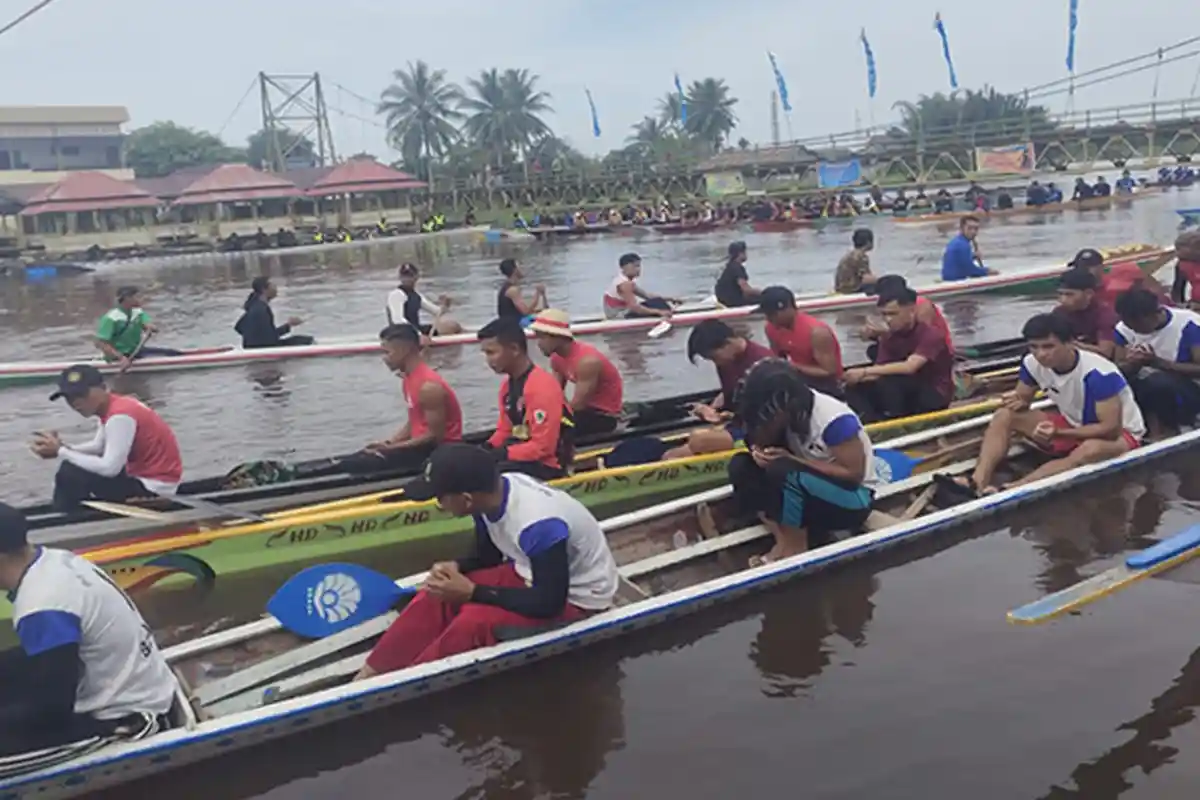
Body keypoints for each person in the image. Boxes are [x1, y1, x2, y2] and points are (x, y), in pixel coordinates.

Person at [355, 444, 617, 677]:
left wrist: (474, 593)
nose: (439, 505)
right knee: (436, 592)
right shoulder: (492, 495)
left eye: (441, 498)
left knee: (473, 623)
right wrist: (457, 567)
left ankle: (411, 679)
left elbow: (549, 602)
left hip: (580, 597)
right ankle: (370, 674)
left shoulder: (538, 525)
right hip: (529, 572)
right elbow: (487, 555)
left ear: (466, 499)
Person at [0, 502, 178, 756]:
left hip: (126, 717)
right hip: (136, 684)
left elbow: (50, 710)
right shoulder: (54, 559)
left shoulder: (41, 606)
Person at [942, 312, 1143, 497]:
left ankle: (1012, 488)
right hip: (1074, 424)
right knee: (1005, 415)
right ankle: (977, 481)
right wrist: (1015, 401)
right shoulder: (1032, 363)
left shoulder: (1098, 374)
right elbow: (1023, 400)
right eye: (1034, 347)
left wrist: (1057, 433)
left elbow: (1110, 430)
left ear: (1070, 343)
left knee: (1090, 449)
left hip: (1122, 434)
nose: (1041, 354)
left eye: (1048, 346)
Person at [726, 360, 875, 564]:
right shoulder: (782, 419)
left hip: (853, 498)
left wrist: (793, 461)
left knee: (784, 470)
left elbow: (853, 476)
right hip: (808, 487)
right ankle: (782, 539)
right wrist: (758, 450)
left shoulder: (834, 421)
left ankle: (795, 549)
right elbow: (754, 439)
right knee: (741, 465)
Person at [31, 365, 182, 511]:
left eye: (82, 394)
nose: (76, 403)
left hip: (155, 489)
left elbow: (110, 468)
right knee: (75, 465)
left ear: (103, 388)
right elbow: (99, 447)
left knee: (70, 470)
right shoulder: (116, 405)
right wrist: (64, 447)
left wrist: (61, 451)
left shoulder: (120, 416)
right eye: (69, 398)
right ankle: (77, 510)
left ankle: (67, 521)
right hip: (144, 479)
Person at [348, 324, 464, 474]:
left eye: (387, 352)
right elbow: (414, 421)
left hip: (440, 452)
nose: (384, 359)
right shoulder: (409, 379)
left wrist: (391, 449)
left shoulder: (428, 387)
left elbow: (434, 436)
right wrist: (389, 442)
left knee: (359, 464)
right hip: (419, 447)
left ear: (405, 350)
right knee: (359, 457)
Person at [663, 320, 773, 460]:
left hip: (759, 434)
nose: (716, 363)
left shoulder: (764, 364)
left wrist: (728, 417)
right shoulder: (727, 361)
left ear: (728, 343)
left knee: (698, 439)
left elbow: (769, 416)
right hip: (738, 425)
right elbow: (731, 395)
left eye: (714, 358)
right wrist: (713, 410)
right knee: (670, 455)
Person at [479, 317, 574, 480]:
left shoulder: (541, 387)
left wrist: (501, 454)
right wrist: (484, 448)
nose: (488, 360)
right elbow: (505, 430)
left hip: (550, 465)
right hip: (525, 456)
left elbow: (543, 448)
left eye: (491, 352)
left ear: (514, 349)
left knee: (484, 475)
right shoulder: (507, 388)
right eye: (485, 353)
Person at [842, 288, 953, 422]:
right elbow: (880, 368)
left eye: (893, 314)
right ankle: (872, 422)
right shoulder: (889, 337)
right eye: (884, 315)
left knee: (892, 381)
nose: (888, 320)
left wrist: (864, 371)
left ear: (911, 311)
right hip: (907, 391)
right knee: (855, 387)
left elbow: (910, 367)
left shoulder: (931, 335)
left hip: (934, 393)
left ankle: (896, 421)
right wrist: (852, 377)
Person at [1113, 289, 1200, 438]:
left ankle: (1182, 423)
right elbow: (1119, 367)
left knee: (1158, 382)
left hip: (1189, 387)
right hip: (1147, 385)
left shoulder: (1189, 324)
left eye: (1139, 325)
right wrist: (1133, 364)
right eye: (1130, 325)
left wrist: (1157, 362)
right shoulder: (1123, 329)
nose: (1136, 330)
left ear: (1156, 314)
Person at [530, 309, 625, 438]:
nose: (538, 344)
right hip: (584, 412)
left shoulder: (587, 362)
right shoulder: (556, 358)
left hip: (604, 415)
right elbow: (555, 394)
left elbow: (578, 405)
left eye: (541, 337)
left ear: (557, 337)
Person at [758, 286, 843, 396]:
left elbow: (829, 371)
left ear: (788, 308)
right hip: (799, 379)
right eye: (766, 315)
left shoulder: (817, 333)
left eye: (772, 315)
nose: (768, 319)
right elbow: (778, 358)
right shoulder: (770, 328)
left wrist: (793, 367)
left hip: (827, 384)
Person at [867, 275, 955, 357]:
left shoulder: (922, 306)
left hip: (935, 351)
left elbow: (923, 338)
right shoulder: (891, 307)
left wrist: (886, 333)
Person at [94, 286, 181, 365]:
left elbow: (147, 324)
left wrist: (151, 327)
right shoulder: (111, 318)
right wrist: (121, 358)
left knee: (173, 353)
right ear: (127, 298)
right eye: (137, 297)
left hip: (135, 351)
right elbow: (101, 343)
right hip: (118, 355)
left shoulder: (138, 312)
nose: (141, 299)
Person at [1068, 247, 1167, 308]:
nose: (1083, 270)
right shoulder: (1073, 290)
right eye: (1079, 267)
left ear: (1101, 267)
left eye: (1088, 267)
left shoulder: (1117, 286)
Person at [1054, 268, 1119, 359]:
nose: (1063, 300)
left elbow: (1106, 352)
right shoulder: (1059, 313)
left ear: (1089, 293)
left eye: (1069, 294)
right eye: (1060, 294)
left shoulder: (1104, 314)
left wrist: (1072, 345)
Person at [235, 277, 315, 349]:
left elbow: (239, 327)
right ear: (264, 289)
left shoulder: (254, 306)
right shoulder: (261, 309)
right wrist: (288, 326)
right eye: (273, 286)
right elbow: (271, 338)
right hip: (263, 348)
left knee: (300, 339)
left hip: (254, 347)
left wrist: (289, 325)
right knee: (306, 341)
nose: (276, 289)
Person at [385, 263, 464, 336]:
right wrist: (419, 335)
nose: (407, 279)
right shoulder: (396, 295)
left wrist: (446, 305)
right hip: (399, 334)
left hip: (415, 330)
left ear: (416, 277)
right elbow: (398, 320)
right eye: (404, 276)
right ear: (400, 277)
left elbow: (437, 312)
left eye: (410, 276)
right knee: (451, 327)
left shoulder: (416, 296)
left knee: (453, 326)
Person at [602, 253, 678, 319]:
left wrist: (671, 299)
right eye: (635, 266)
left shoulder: (625, 280)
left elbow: (648, 296)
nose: (638, 269)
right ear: (624, 268)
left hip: (621, 311)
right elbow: (634, 307)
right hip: (618, 315)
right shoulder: (625, 284)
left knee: (657, 301)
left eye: (639, 266)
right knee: (658, 305)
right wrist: (659, 312)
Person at [940, 216, 997, 281]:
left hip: (949, 280)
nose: (973, 232)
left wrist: (973, 256)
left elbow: (960, 262)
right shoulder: (962, 245)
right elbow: (970, 271)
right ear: (961, 229)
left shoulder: (956, 241)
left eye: (976, 229)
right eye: (969, 228)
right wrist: (987, 271)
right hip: (956, 282)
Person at [714, 241, 762, 308]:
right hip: (734, 302)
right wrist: (763, 292)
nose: (746, 254)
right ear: (740, 254)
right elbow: (746, 289)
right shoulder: (737, 268)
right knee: (765, 299)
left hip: (724, 300)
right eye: (744, 252)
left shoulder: (729, 266)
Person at [834, 229, 878, 294]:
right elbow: (866, 278)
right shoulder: (861, 256)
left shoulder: (849, 255)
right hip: (852, 289)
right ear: (869, 242)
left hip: (841, 288)